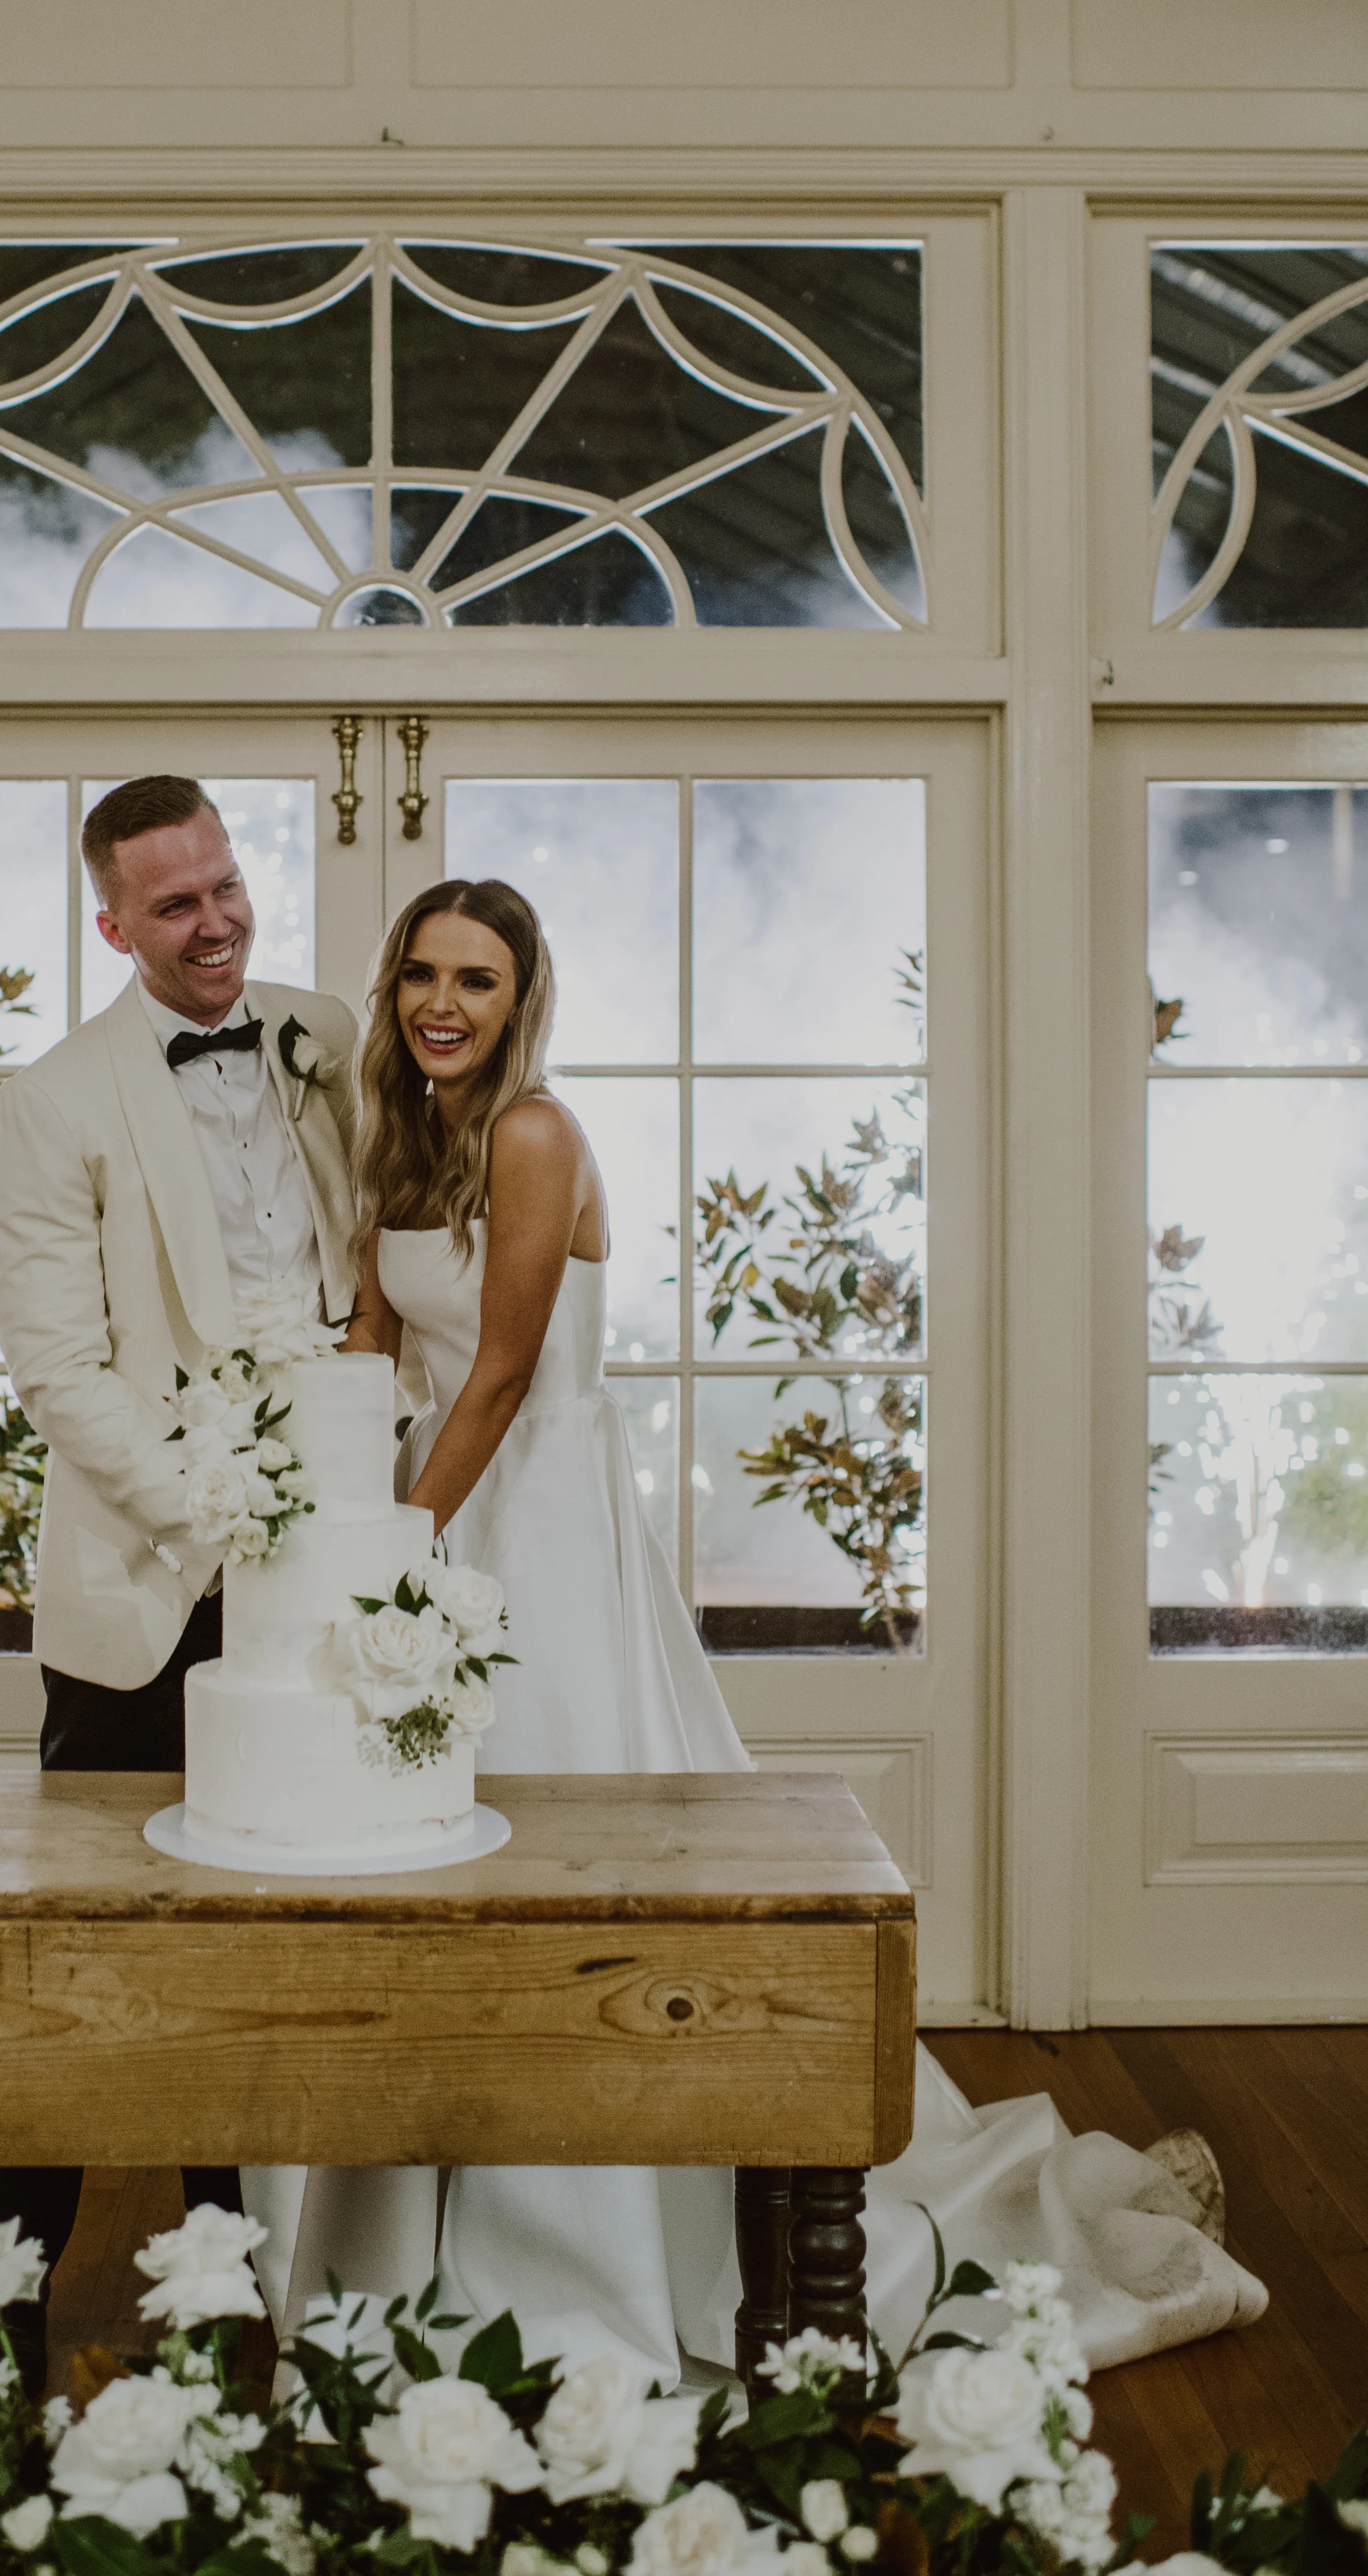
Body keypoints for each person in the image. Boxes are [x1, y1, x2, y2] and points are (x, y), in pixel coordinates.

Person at [245, 877, 1267, 2386]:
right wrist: (299, 1495)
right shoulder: (402, 1139)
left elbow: (508, 1374)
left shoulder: (536, 1135)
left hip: (537, 1532)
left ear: (524, 1000)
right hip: (431, 1505)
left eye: (476, 979)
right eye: (418, 975)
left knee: (562, 1849)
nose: (441, 1004)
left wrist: (404, 1547)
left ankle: (600, 2241)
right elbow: (376, 1346)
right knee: (424, 1856)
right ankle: (417, 2222)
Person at [0, 775, 362, 2385]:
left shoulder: (328, 1034)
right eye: (175, 905)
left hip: (337, 1576)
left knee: (277, 1949)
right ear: (113, 924)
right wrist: (224, 1510)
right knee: (84, 1963)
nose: (215, 926)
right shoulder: (55, 1100)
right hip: (150, 1585)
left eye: (224, 888)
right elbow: (62, 1375)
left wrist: (339, 1510)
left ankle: (243, 2309)